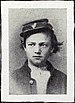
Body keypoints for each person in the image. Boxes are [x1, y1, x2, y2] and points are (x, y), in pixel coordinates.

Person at [9, 18, 67, 94]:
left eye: (43, 45)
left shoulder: (64, 80)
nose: (37, 51)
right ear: (24, 47)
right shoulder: (11, 79)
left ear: (52, 48)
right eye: (31, 44)